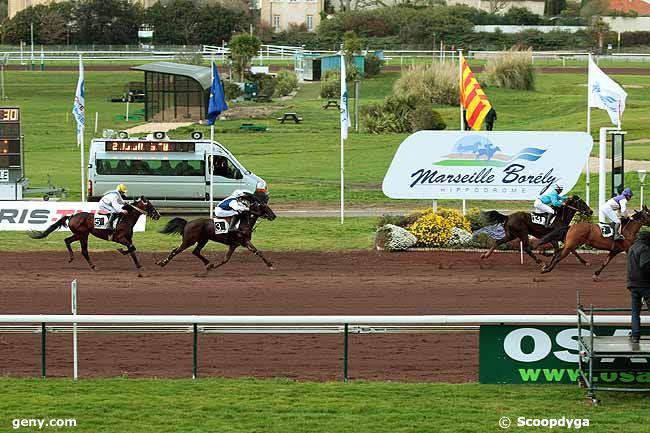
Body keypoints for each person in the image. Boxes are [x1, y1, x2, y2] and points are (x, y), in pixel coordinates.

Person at [626, 231, 650, 344]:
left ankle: (635, 335)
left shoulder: (632, 248)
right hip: (645, 284)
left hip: (632, 284)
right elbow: (645, 265)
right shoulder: (645, 248)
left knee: (635, 311)